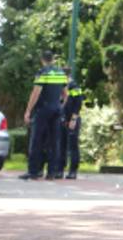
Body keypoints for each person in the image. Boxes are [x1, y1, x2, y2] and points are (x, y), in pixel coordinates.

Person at [22, 50, 67, 180]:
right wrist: (60, 106)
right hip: (56, 110)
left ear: (42, 60)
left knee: (37, 141)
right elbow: (66, 94)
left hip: (43, 110)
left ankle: (33, 172)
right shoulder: (61, 73)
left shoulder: (42, 73)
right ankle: (51, 173)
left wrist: (28, 110)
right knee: (54, 142)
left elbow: (35, 93)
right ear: (53, 59)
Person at [61, 71, 85, 179]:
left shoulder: (74, 87)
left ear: (67, 76)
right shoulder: (62, 87)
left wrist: (74, 119)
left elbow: (78, 103)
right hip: (63, 119)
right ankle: (59, 169)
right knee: (61, 145)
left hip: (72, 119)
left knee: (73, 146)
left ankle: (73, 171)